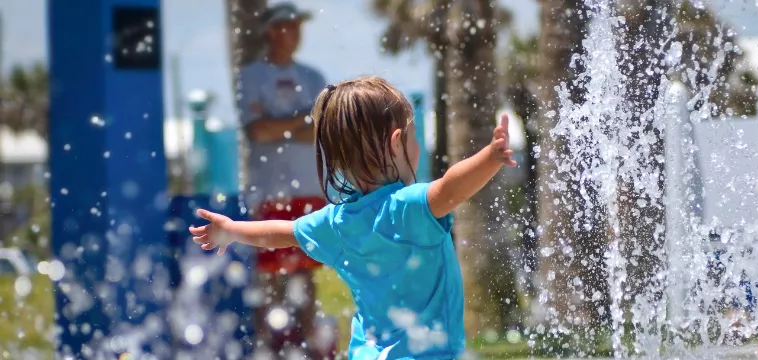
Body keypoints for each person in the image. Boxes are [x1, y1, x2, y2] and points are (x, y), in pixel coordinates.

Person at [191, 76, 517, 359]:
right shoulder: (408, 208)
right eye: (414, 137)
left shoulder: (336, 222)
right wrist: (490, 157)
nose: (417, 147)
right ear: (397, 143)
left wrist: (231, 230)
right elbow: (451, 187)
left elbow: (281, 232)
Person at [236, 2, 329, 357]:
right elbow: (258, 131)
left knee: (305, 275)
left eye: (297, 25)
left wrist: (282, 124)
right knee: (269, 276)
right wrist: (300, 121)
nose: (295, 32)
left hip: (308, 190)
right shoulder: (252, 76)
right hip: (269, 192)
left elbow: (320, 130)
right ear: (271, 31)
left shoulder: (313, 76)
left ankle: (308, 347)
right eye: (288, 25)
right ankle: (266, 349)